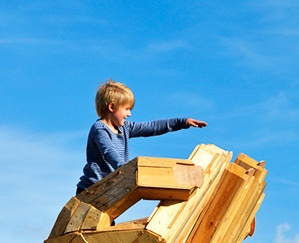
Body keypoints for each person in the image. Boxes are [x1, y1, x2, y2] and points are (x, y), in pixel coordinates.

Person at [76, 80, 206, 193]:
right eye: (126, 109)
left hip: (109, 187)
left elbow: (151, 127)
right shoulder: (100, 129)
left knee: (108, 222)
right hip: (91, 188)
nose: (129, 114)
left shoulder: (125, 127)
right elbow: (108, 151)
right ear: (111, 107)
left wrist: (182, 122)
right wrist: (122, 166)